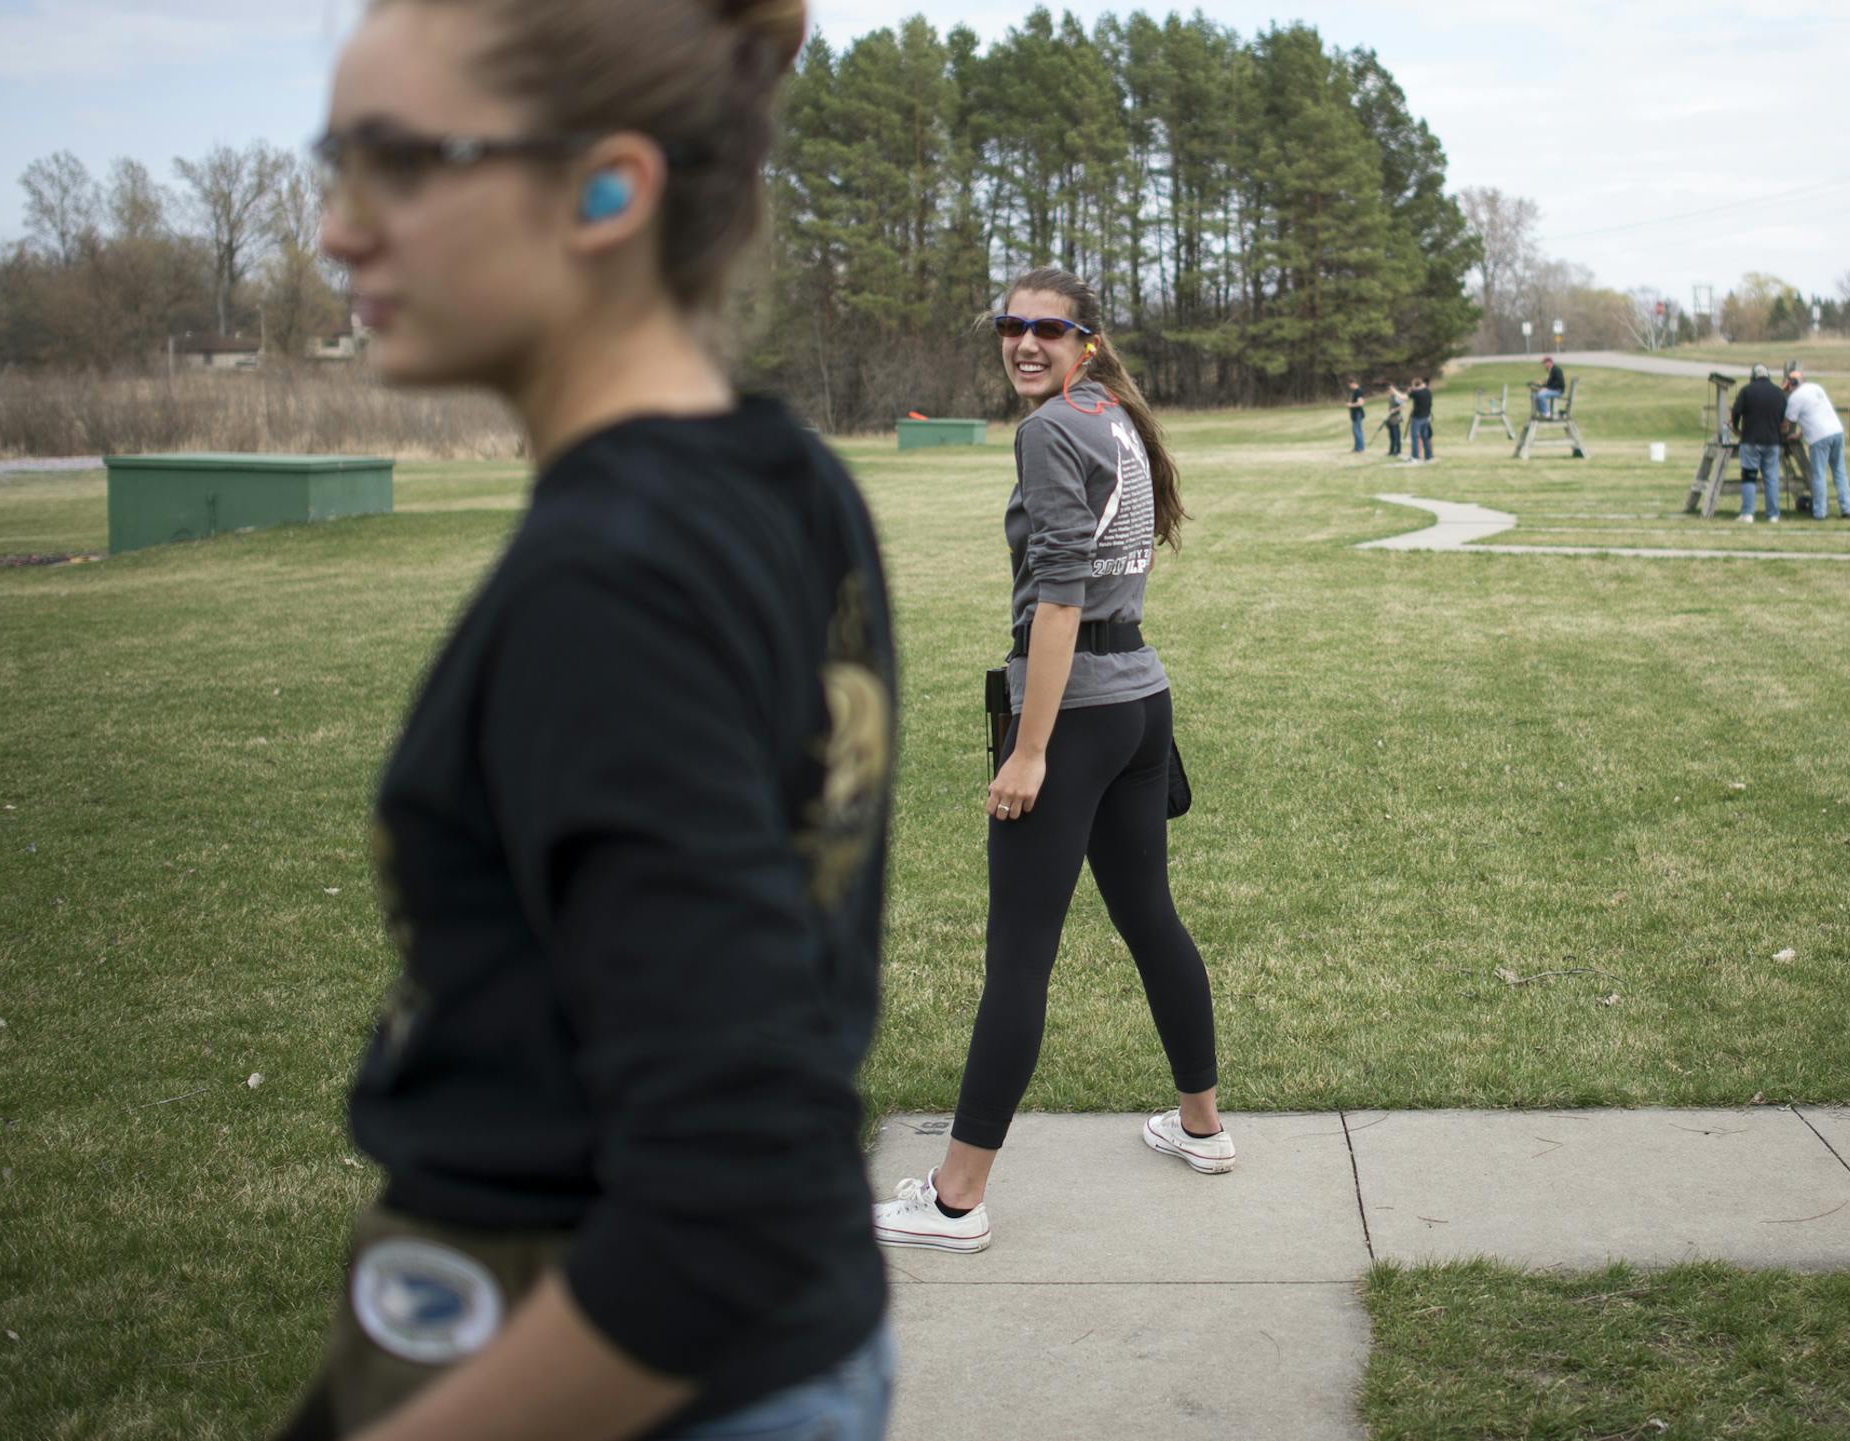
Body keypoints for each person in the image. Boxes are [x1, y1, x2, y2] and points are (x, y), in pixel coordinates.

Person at [278, 2, 899, 1438]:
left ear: (609, 189)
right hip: (793, 1357)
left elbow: (736, 1197)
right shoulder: (780, 475)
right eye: (336, 160)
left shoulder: (611, 584)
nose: (336, 229)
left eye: (398, 162)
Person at [871, 266, 1227, 1254]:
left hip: (1074, 716)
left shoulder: (1048, 429)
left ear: (1089, 340)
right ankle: (1202, 1126)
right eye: (1011, 326)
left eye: (1048, 329)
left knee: (1020, 956)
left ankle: (953, 1200)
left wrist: (1029, 748)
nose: (1025, 343)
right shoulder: (1110, 413)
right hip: (1140, 705)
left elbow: (1061, 595)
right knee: (1150, 916)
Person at [1785, 367, 1850, 520]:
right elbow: (1815, 413)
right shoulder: (1816, 388)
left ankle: (1820, 512)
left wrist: (1783, 431)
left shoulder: (1795, 397)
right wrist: (1800, 434)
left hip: (1819, 438)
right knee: (1839, 472)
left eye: (1788, 385)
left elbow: (1788, 422)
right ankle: (1846, 508)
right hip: (1836, 432)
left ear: (1792, 383)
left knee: (1819, 475)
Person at [1729, 362, 1786, 523]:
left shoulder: (1746, 391)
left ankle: (1747, 513)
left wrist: (1736, 429)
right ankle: (1773, 515)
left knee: (1749, 477)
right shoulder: (1778, 393)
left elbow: (1736, 412)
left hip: (1751, 441)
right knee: (1771, 478)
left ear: (1753, 376)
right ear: (1768, 376)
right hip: (1773, 442)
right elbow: (1784, 420)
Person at [1407, 376, 1435, 461]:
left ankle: (1415, 456)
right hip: (1426, 417)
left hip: (1418, 418)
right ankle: (1428, 455)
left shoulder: (1417, 393)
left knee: (1415, 437)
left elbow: (1407, 396)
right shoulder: (1428, 392)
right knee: (1425, 437)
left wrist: (1411, 391)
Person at [1344, 375, 1367, 453]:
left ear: (1353, 383)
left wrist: (1351, 405)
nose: (1349, 387)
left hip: (1358, 413)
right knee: (1355, 431)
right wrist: (1350, 404)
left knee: (1357, 431)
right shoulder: (1354, 392)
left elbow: (1361, 403)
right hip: (1354, 414)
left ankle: (1361, 448)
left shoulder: (1358, 391)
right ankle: (1357, 448)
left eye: (1349, 385)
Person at [1383, 381, 1406, 456]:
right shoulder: (1390, 397)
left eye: (1389, 389)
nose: (1388, 391)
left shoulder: (1396, 396)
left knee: (1396, 435)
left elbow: (1403, 405)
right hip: (1391, 418)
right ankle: (1392, 451)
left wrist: (1394, 410)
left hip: (1396, 418)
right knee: (1392, 436)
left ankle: (1397, 451)